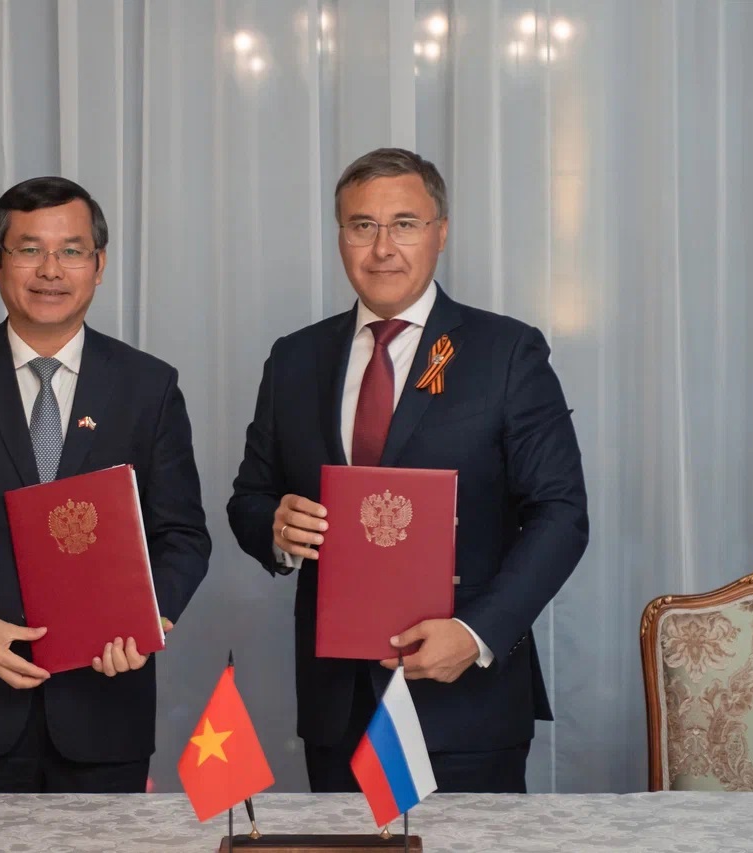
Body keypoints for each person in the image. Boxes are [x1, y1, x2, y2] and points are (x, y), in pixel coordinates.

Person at [227, 148, 588, 793]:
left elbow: (561, 515)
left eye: (405, 224)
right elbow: (250, 497)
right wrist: (276, 530)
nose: (382, 248)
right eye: (362, 225)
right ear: (340, 236)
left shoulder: (506, 352)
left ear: (440, 232)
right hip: (339, 705)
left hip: (465, 700)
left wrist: (476, 633)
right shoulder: (295, 359)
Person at [0, 176, 210, 793]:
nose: (51, 270)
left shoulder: (148, 386)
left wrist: (146, 617)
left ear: (98, 265)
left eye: (71, 251)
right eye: (29, 250)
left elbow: (182, 534)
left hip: (105, 708)